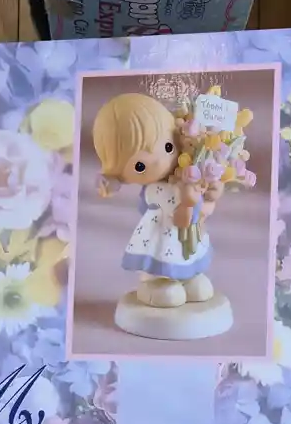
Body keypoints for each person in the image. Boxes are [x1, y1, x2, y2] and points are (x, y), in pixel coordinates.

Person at [92, 93, 222, 308]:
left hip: (185, 238)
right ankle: (156, 284)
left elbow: (203, 210)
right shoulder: (156, 191)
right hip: (163, 237)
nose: (160, 162)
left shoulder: (184, 173)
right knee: (164, 263)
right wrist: (188, 203)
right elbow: (181, 218)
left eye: (168, 147)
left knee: (189, 261)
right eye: (140, 166)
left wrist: (212, 194)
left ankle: (188, 277)